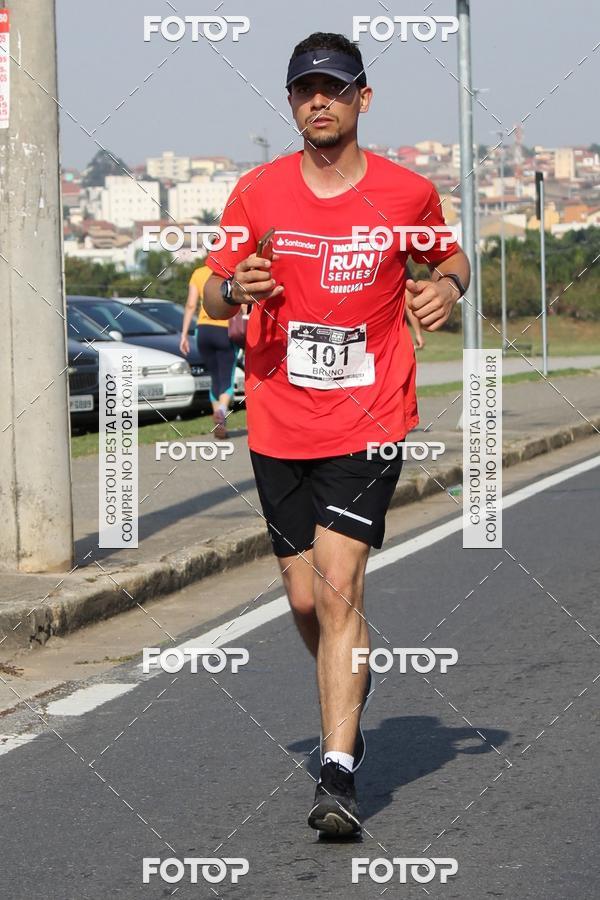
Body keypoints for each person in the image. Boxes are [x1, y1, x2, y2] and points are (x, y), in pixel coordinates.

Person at [203, 32, 470, 837]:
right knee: (304, 595)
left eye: (333, 87)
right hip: (280, 417)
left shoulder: (404, 193)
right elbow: (216, 295)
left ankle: (339, 772)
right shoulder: (257, 193)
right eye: (303, 90)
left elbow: (451, 259)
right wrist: (232, 286)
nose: (317, 100)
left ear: (363, 99)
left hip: (371, 413)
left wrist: (446, 292)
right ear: (291, 103)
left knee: (340, 581)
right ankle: (347, 674)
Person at [180, 262, 237, 439]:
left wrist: (183, 335)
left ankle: (221, 425)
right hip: (225, 330)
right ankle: (221, 411)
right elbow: (242, 303)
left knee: (214, 377)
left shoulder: (198, 273)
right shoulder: (231, 271)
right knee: (227, 377)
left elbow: (191, 305)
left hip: (203, 331)